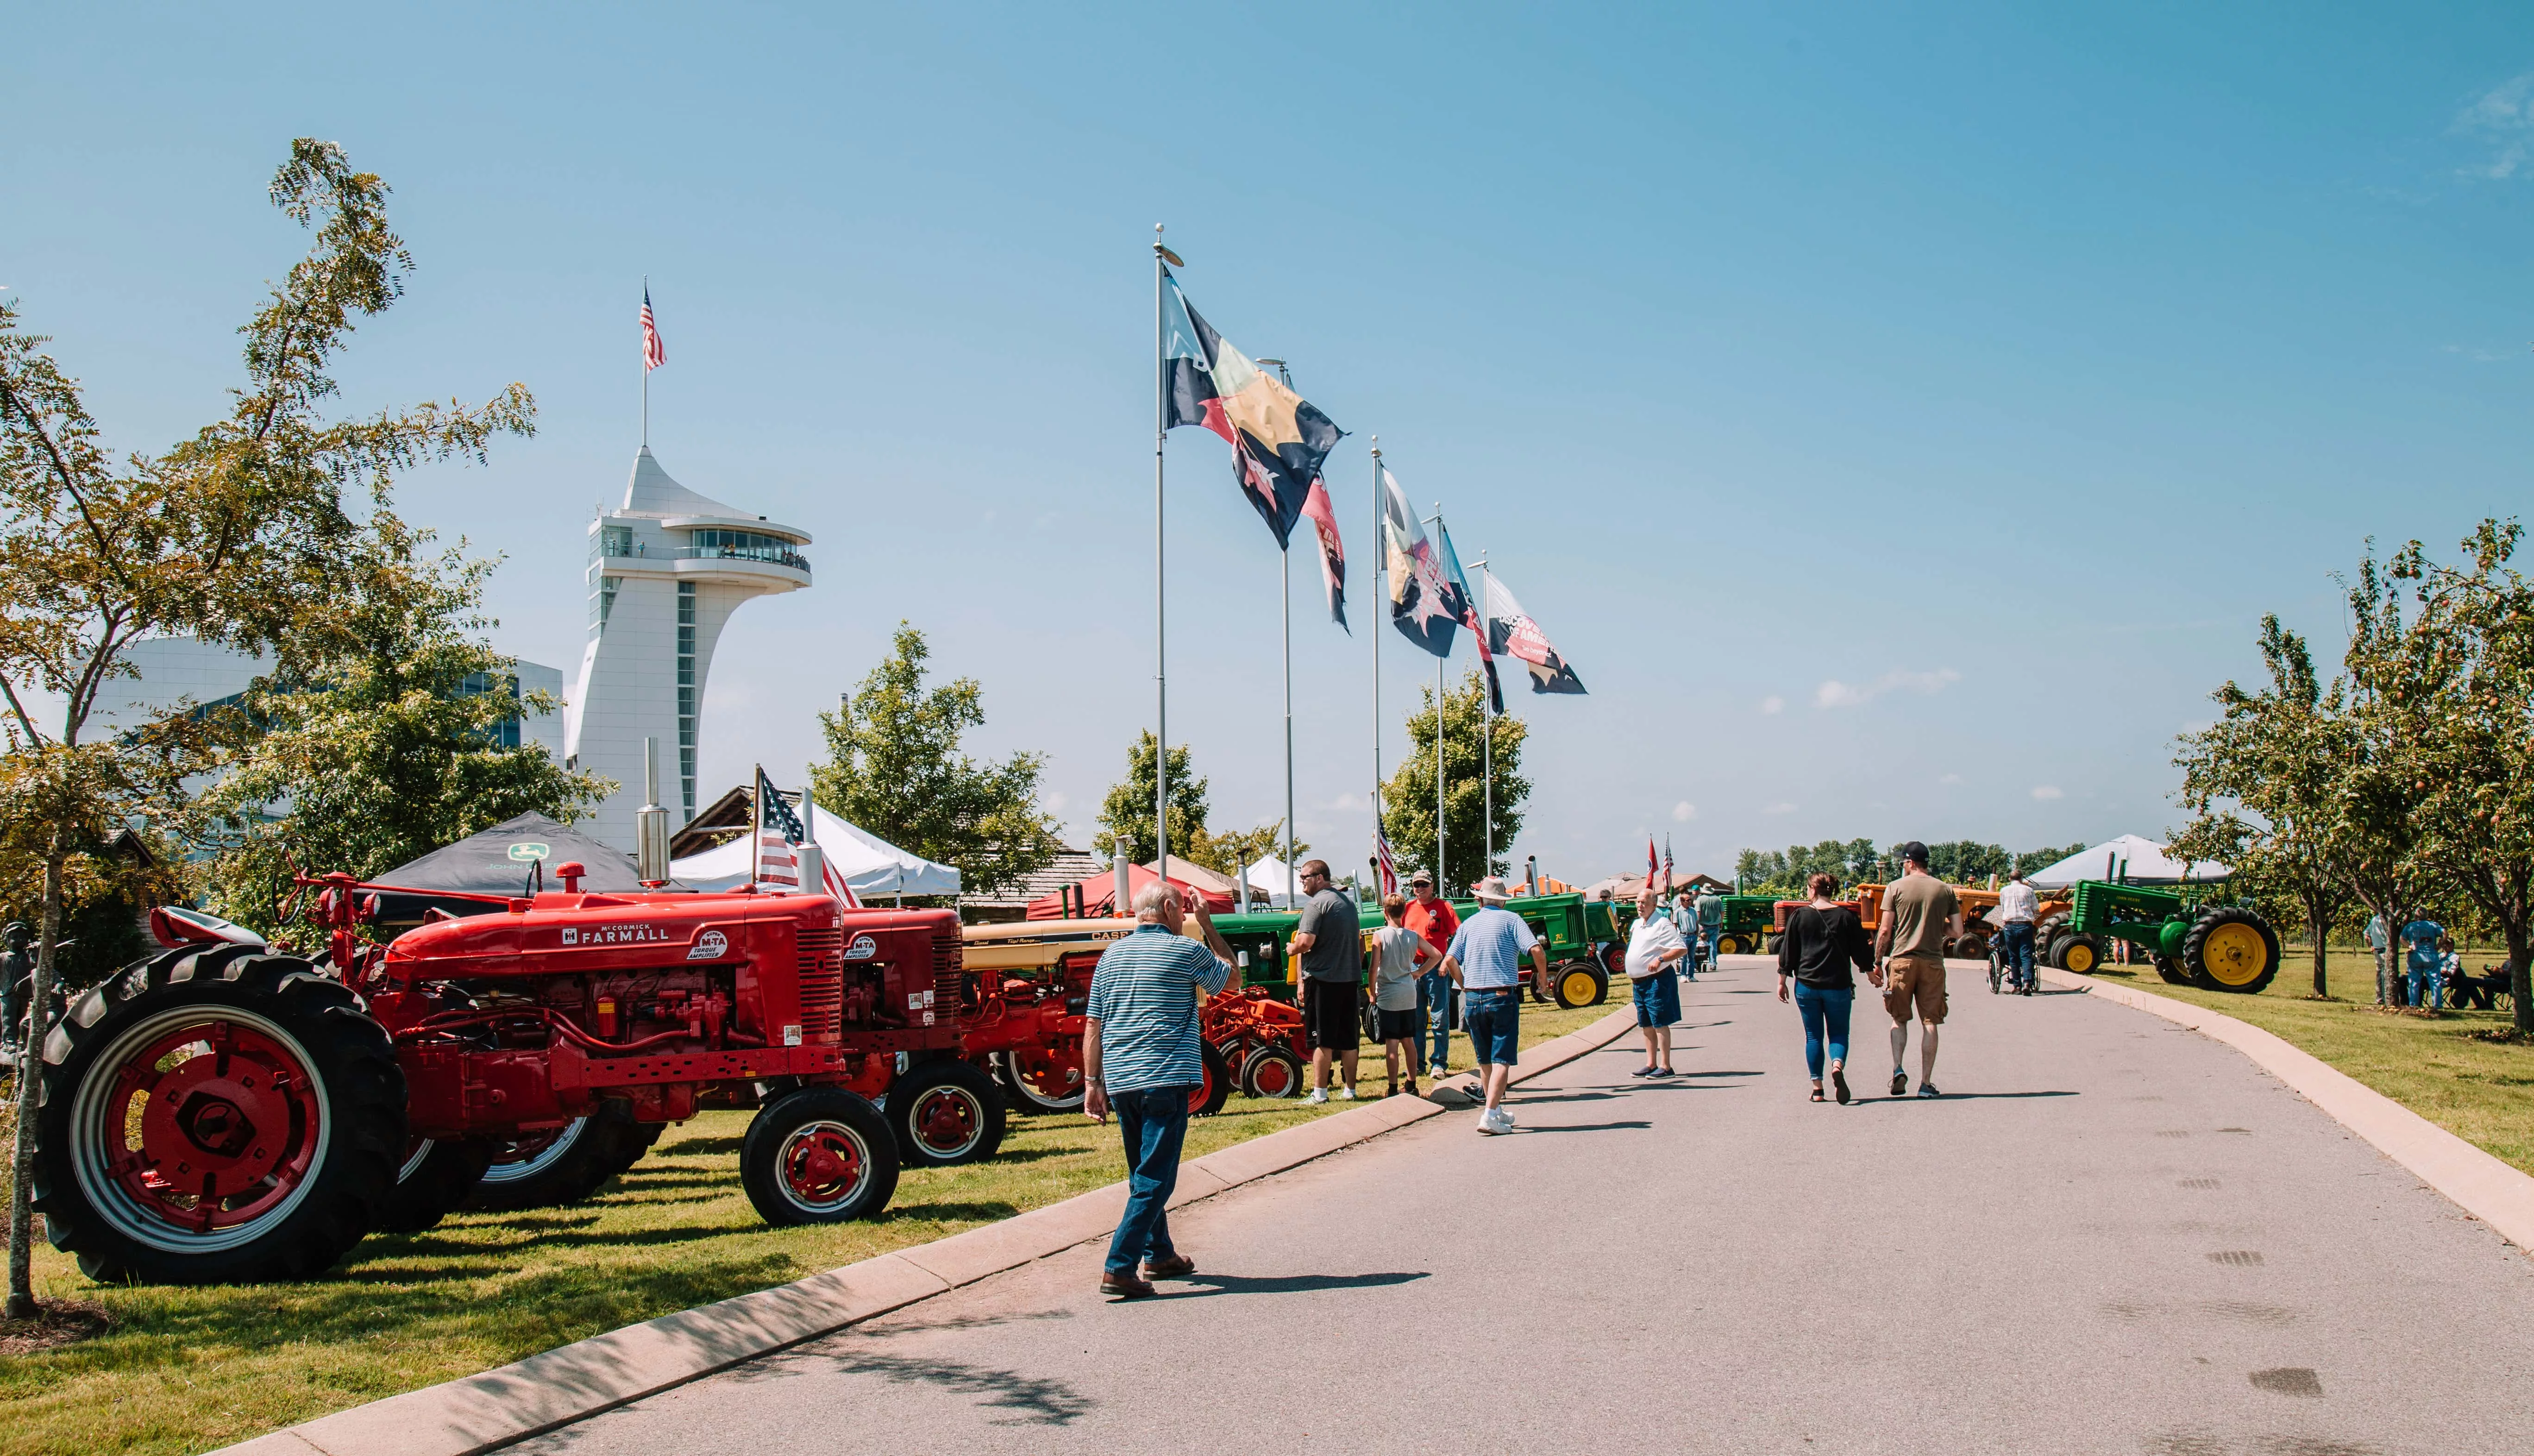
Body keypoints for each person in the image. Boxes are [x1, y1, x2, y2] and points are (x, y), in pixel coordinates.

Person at [1083, 881, 1235, 1299]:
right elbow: (1233, 979)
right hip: (1165, 1075)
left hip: (1121, 1079)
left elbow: (1093, 1024)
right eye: (1181, 909)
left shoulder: (1110, 957)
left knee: (1141, 1173)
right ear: (1169, 908)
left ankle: (1160, 1253)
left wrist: (1092, 1083)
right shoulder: (1186, 950)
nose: (1183, 914)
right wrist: (1207, 924)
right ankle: (1119, 1266)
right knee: (1157, 1178)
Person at [1439, 877, 1549, 1134]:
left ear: (1479, 900)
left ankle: (1494, 1109)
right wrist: (1543, 978)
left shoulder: (1469, 925)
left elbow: (1451, 960)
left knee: (1485, 1059)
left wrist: (1465, 984)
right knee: (1502, 1058)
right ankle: (1489, 1115)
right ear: (1502, 901)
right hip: (1501, 994)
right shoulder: (1512, 920)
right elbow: (1536, 950)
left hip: (1475, 997)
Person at [1776, 872, 1874, 1103]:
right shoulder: (1846, 917)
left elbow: (1788, 951)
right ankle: (1837, 1065)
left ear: (1812, 890)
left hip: (1807, 986)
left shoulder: (1800, 916)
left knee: (1813, 1037)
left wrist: (1782, 981)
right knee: (1839, 1033)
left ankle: (1818, 1089)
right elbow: (1860, 950)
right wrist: (1871, 973)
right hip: (1838, 985)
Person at [1874, 841, 1960, 1098]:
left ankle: (1898, 1068)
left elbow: (1886, 931)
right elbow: (1957, 932)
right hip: (1933, 963)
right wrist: (1936, 926)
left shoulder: (1895, 888)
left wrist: (1877, 962)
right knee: (1930, 1022)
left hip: (1902, 961)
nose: (1902, 865)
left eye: (1903, 861)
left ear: (1911, 862)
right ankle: (1926, 1083)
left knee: (1899, 1019)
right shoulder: (1946, 890)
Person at [1288, 859, 1365, 1101]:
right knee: (1349, 1040)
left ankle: (1320, 1094)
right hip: (1349, 981)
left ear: (1320, 878)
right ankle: (1350, 1091)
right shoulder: (1348, 904)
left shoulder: (1316, 904)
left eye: (1305, 877)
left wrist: (1292, 949)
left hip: (1323, 981)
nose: (1302, 882)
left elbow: (1306, 942)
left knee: (1322, 1040)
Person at [1370, 894, 1439, 1097]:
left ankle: (1392, 1087)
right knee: (1409, 1040)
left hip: (1388, 993)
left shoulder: (1380, 935)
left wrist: (1372, 991)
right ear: (1404, 912)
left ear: (1385, 913)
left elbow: (1374, 967)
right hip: (1409, 991)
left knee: (1392, 1042)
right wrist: (1419, 972)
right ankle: (1412, 1083)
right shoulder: (1412, 936)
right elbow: (1436, 955)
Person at [1404, 871, 1461, 1081]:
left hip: (1437, 968)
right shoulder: (1408, 909)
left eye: (1424, 885)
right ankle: (1417, 1064)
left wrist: (1448, 960)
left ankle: (1439, 1063)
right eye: (1416, 885)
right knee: (1416, 1018)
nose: (1420, 889)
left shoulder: (1444, 908)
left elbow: (1459, 935)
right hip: (1413, 968)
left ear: (1432, 886)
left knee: (1439, 1017)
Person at [1624, 888, 1687, 1075]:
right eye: (1638, 902)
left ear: (1654, 904)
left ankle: (1666, 1066)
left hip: (1656, 981)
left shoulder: (1662, 924)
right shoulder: (1637, 924)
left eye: (1644, 902)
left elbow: (1680, 948)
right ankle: (1650, 1063)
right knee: (1646, 1024)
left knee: (1660, 1022)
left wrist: (1660, 959)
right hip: (1639, 983)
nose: (1640, 906)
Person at [1996, 869, 2039, 995]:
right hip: (2026, 925)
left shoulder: (2004, 891)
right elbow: (2036, 910)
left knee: (2013, 956)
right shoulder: (2029, 890)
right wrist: (2033, 920)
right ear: (2021, 878)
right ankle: (2027, 983)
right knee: (2026, 955)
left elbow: (2003, 908)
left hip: (2010, 925)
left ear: (2010, 879)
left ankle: (2017, 986)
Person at [2401, 917, 2446, 1011]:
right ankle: (2437, 1005)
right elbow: (2445, 933)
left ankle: (2414, 1004)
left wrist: (2409, 946)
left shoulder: (2410, 926)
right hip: (2431, 956)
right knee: (2435, 981)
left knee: (2414, 981)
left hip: (2415, 956)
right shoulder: (2433, 925)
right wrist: (2439, 945)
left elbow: (2402, 938)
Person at [1668, 889, 1700, 980]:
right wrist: (1675, 937)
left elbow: (1696, 923)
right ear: (1682, 902)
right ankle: (1683, 975)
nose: (1690, 902)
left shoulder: (1693, 911)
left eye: (1690, 900)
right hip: (1684, 936)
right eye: (1688, 900)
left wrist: (1697, 933)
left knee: (1692, 957)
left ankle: (1691, 976)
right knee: (1683, 958)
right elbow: (1675, 924)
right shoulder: (1678, 912)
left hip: (1693, 935)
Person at [1694, 885, 1725, 968]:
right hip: (1715, 925)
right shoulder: (1718, 899)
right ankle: (1713, 963)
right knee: (1713, 944)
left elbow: (1698, 912)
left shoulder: (1700, 899)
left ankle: (1699, 960)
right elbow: (1722, 912)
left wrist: (1696, 923)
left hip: (1703, 926)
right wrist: (1721, 921)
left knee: (1700, 944)